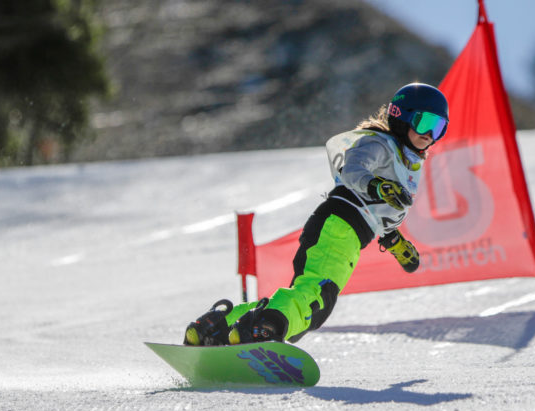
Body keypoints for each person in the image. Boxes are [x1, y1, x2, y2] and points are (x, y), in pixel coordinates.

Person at [183, 82, 449, 346]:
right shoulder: (380, 145)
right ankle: (262, 329)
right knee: (318, 296)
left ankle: (217, 327)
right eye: (424, 122)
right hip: (341, 227)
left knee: (305, 304)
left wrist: (395, 241)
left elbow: (378, 212)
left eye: (438, 128)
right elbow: (354, 170)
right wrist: (376, 185)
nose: (429, 134)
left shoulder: (406, 162)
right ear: (400, 116)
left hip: (344, 230)